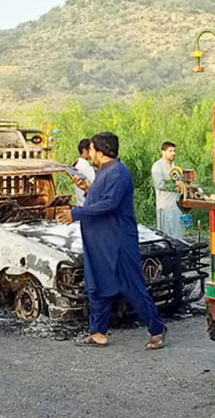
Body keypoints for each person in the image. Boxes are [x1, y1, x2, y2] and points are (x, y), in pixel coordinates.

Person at [58, 132, 166, 349]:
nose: (89, 154)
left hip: (117, 242)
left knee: (132, 286)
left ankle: (157, 329)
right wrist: (87, 188)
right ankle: (98, 333)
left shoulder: (118, 172)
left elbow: (109, 204)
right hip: (99, 242)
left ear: (101, 151)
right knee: (96, 286)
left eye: (91, 149)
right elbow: (100, 198)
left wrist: (76, 213)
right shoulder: (104, 172)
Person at [151, 141, 184, 239]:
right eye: (170, 151)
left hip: (176, 205)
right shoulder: (157, 167)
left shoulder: (175, 167)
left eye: (174, 151)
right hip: (165, 206)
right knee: (166, 235)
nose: (173, 153)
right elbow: (160, 184)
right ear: (163, 152)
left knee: (177, 233)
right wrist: (175, 186)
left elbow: (180, 182)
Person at [71, 138, 96, 206]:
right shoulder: (84, 167)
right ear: (85, 151)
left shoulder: (77, 165)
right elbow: (94, 185)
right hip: (88, 203)